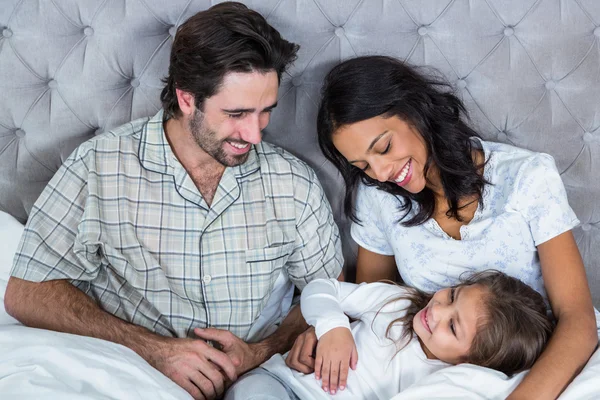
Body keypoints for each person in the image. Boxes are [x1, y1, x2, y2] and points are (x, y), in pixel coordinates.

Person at [3, 3, 343, 400]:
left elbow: (328, 290)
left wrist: (260, 351)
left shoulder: (292, 181)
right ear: (186, 99)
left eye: (265, 112)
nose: (254, 134)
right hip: (132, 376)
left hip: (259, 380)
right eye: (236, 113)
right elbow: (27, 291)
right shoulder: (100, 165)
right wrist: (152, 350)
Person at [288, 55, 599, 399]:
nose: (380, 172)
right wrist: (329, 326)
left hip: (541, 365)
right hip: (439, 377)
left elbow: (577, 318)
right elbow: (370, 299)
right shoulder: (378, 195)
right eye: (362, 165)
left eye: (384, 147)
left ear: (415, 110)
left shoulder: (527, 177)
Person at [225, 270, 554, 400]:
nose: (437, 311)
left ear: (472, 360)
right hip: (285, 385)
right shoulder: (397, 305)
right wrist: (332, 327)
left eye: (453, 327)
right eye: (453, 294)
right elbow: (320, 288)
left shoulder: (446, 383)